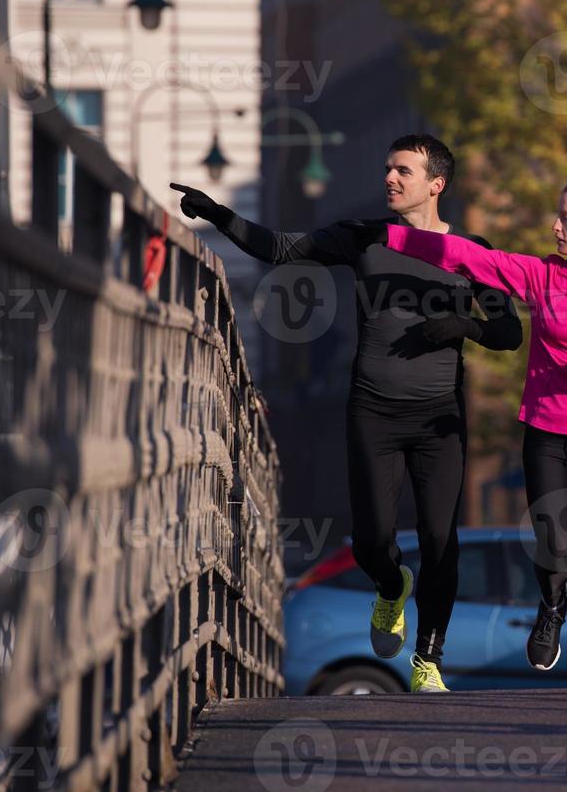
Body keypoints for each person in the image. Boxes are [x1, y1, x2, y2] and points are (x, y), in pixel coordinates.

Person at [170, 134, 522, 693]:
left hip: (438, 419)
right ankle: (390, 587)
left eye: (403, 171)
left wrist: (466, 326)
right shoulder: (366, 237)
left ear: (437, 184)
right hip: (373, 410)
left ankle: (428, 659)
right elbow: (282, 248)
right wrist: (219, 216)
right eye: (387, 168)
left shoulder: (472, 252)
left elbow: (509, 332)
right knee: (370, 541)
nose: (389, 178)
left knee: (440, 540)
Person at [376, 165, 567, 688]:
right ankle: (552, 605)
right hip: (547, 432)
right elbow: (471, 257)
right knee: (554, 549)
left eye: (566, 218)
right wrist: (391, 236)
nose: (555, 226)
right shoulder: (542, 276)